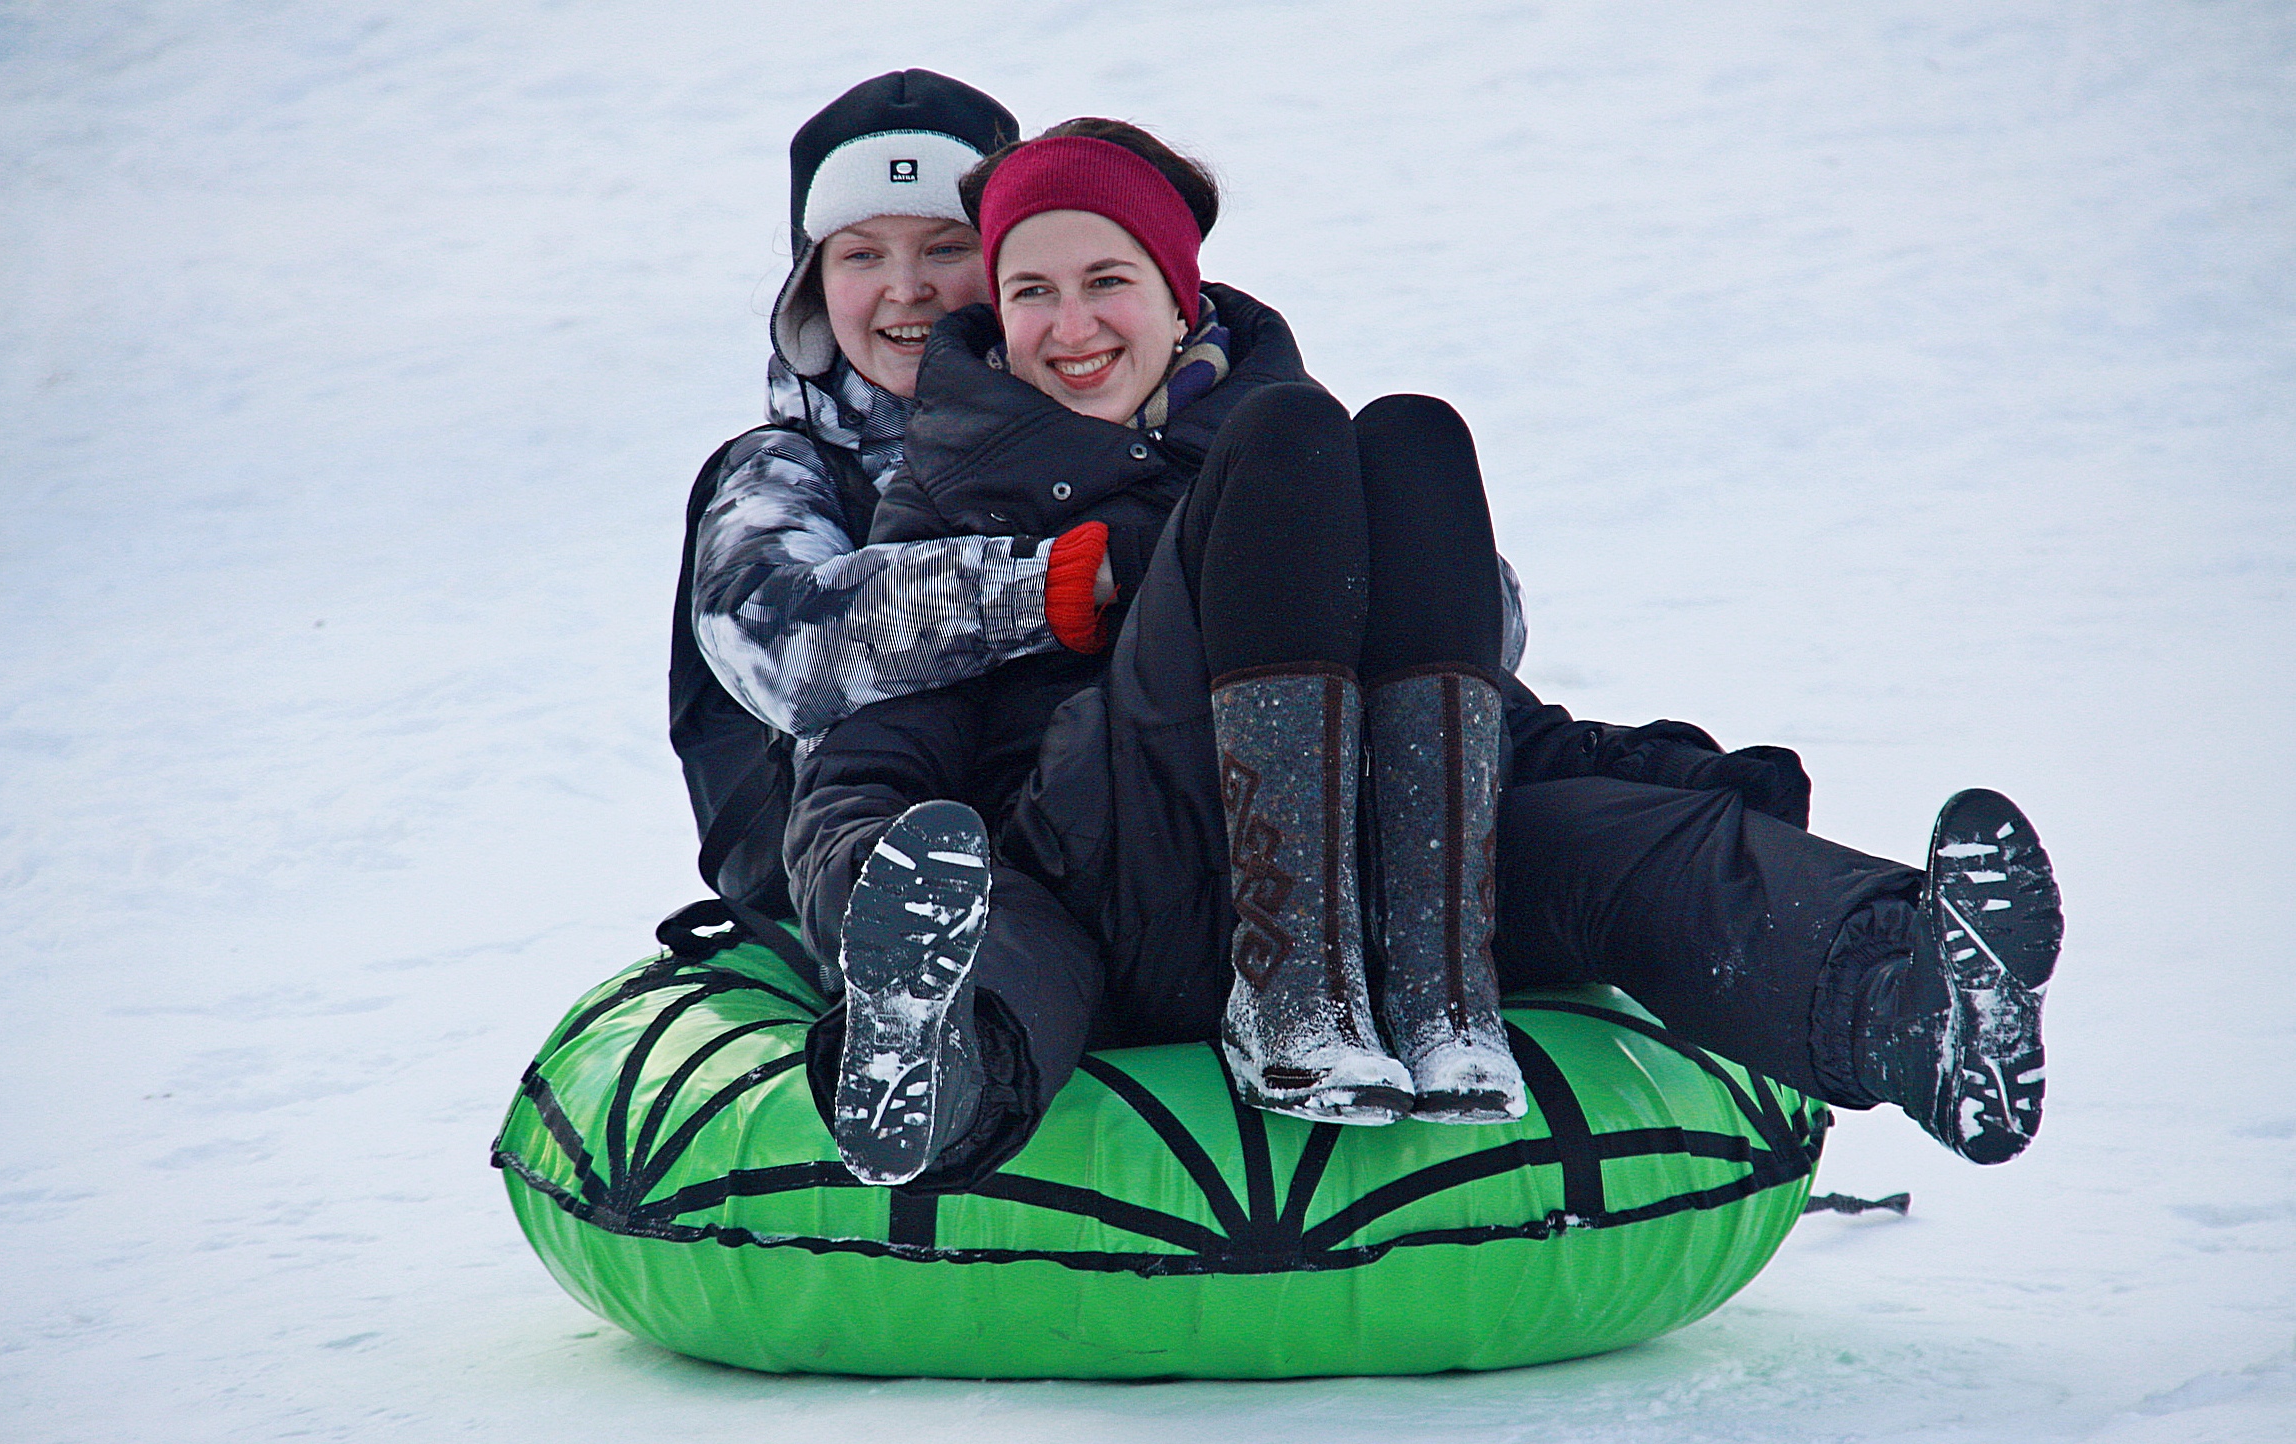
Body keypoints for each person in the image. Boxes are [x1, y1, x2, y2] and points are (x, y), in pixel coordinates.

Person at [779, 118, 2065, 1192]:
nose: (1071, 326)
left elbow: (1475, 706)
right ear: (995, 320)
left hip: (1394, 903)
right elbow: (866, 766)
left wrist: (1672, 785)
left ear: (1181, 298)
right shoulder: (951, 517)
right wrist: (875, 895)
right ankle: (949, 1069)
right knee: (1288, 440)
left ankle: (1914, 1011)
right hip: (1129, 883)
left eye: (1106, 280)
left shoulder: (1313, 482)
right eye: (1030, 291)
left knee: (1417, 453)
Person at [674, 68, 1067, 942]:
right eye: (861, 254)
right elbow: (783, 646)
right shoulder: (779, 468)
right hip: (854, 875)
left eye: (944, 247)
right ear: (812, 287)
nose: (906, 287)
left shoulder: (1092, 427)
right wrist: (1055, 588)